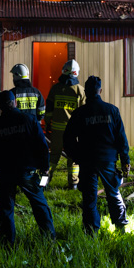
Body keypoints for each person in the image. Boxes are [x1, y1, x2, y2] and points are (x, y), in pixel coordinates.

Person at [0, 89, 56, 244]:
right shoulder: (29, 120)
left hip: (6, 172)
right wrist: (44, 168)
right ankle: (49, 238)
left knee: (6, 208)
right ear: (14, 102)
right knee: (39, 204)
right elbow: (42, 146)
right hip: (27, 171)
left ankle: (7, 242)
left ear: (1, 107)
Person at [64, 76, 130, 234]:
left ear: (86, 92)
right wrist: (125, 161)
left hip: (87, 160)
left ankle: (91, 231)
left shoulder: (80, 113)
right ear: (100, 91)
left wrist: (75, 155)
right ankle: (120, 227)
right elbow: (122, 138)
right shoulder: (112, 110)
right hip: (107, 160)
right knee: (113, 192)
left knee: (89, 198)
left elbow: (67, 138)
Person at [45, 59, 86, 189]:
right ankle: (73, 183)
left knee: (54, 156)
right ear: (76, 73)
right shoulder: (80, 90)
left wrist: (47, 124)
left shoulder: (55, 89)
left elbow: (49, 110)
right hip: (73, 131)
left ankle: (44, 182)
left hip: (57, 130)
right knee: (73, 157)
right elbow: (83, 113)